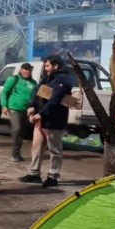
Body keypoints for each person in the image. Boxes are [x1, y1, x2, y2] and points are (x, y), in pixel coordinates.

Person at [20, 54, 72, 188]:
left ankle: (53, 176)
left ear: (56, 66)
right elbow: (37, 92)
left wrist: (41, 114)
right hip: (41, 120)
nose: (46, 68)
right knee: (36, 147)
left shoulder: (63, 80)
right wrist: (32, 106)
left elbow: (55, 100)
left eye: (47, 66)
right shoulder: (47, 78)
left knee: (54, 150)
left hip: (54, 121)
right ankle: (34, 173)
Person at [1, 63, 37, 162]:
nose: (26, 71)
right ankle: (14, 154)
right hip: (14, 109)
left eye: (28, 70)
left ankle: (17, 153)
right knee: (17, 129)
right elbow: (4, 92)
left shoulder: (34, 83)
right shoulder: (14, 79)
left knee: (22, 132)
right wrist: (4, 105)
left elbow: (35, 97)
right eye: (24, 69)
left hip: (26, 111)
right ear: (21, 70)